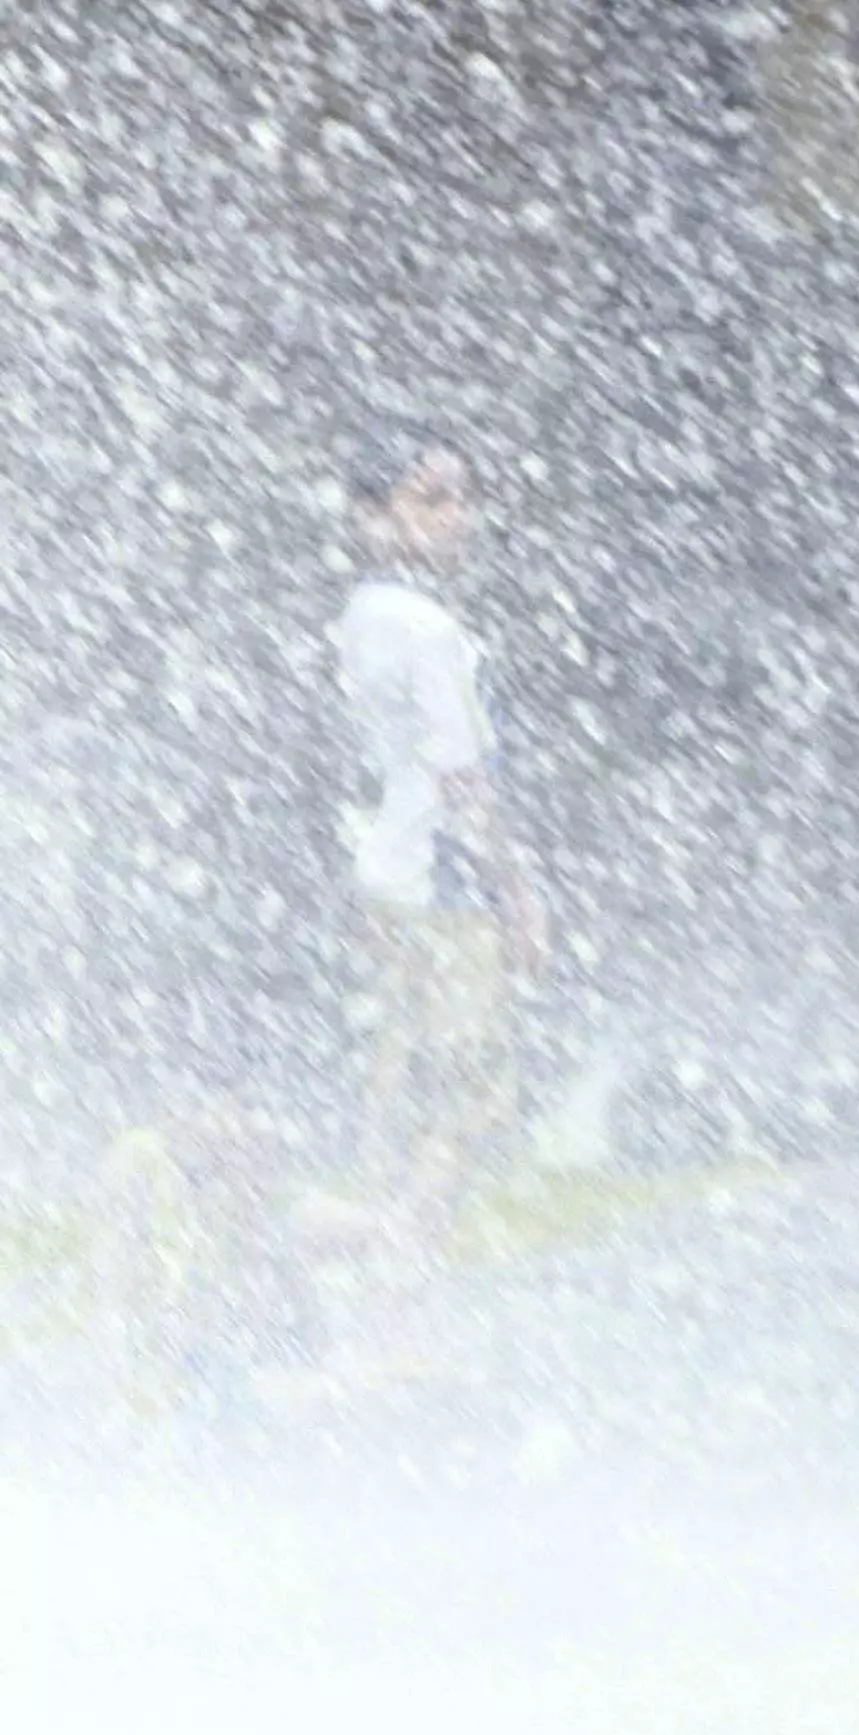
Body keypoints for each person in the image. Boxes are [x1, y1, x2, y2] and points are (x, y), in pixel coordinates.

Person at [329, 429, 546, 1276]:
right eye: (433, 500)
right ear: (377, 518)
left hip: (385, 876)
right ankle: (391, 1282)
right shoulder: (428, 630)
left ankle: (377, 1284)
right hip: (443, 885)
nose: (459, 519)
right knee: (469, 1102)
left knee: (403, 1089)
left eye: (463, 497)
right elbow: (463, 775)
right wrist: (515, 889)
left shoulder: (361, 617)